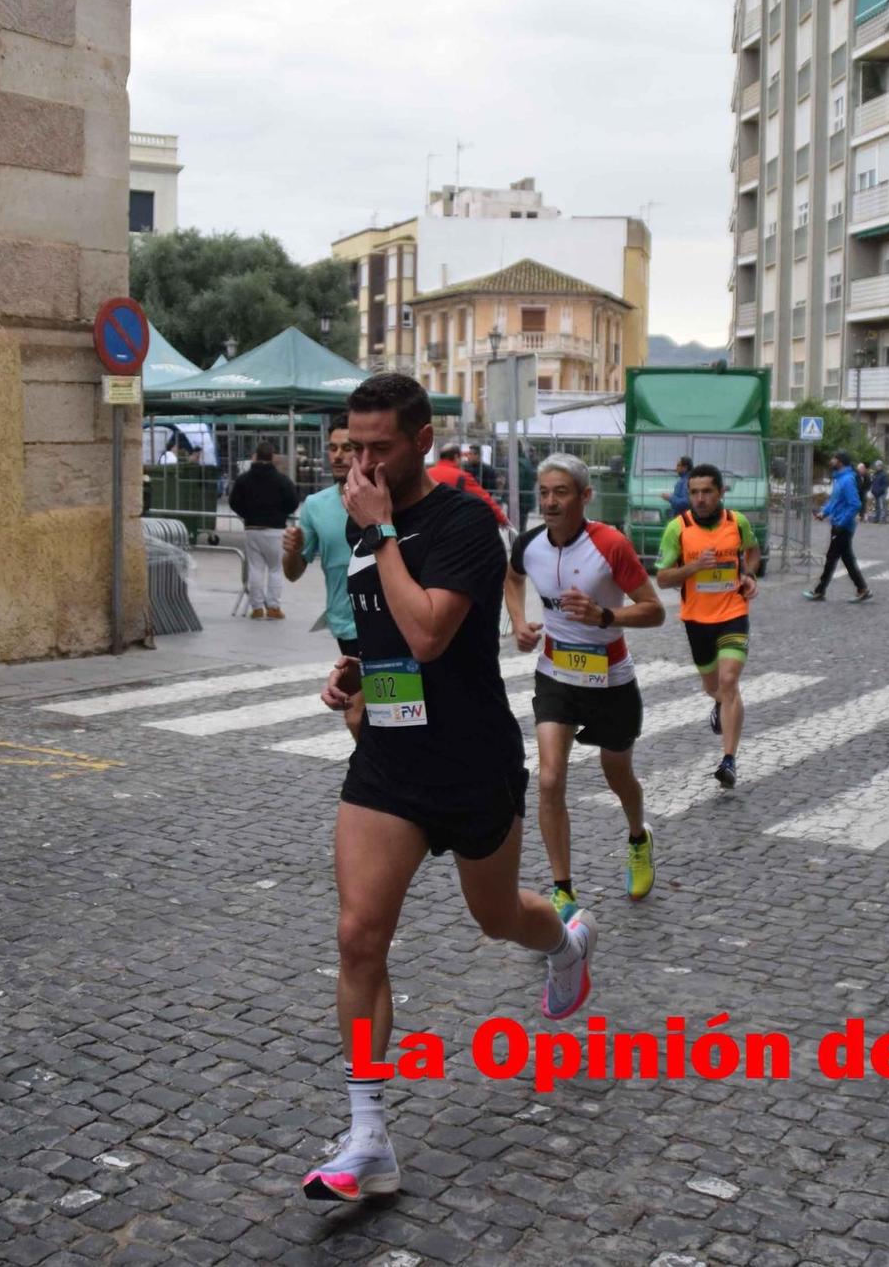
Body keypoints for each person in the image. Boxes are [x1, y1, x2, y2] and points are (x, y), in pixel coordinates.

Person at [304, 375, 592, 1203]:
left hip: (472, 761)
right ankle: (366, 1137)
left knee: (498, 917)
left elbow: (431, 631)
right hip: (389, 763)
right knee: (359, 936)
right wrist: (351, 673)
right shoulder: (369, 527)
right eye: (351, 449)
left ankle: (566, 942)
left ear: (422, 440)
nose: (361, 464)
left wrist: (381, 530)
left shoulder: (466, 522)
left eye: (379, 448)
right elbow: (389, 638)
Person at [503, 454, 666, 920]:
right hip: (556, 674)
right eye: (545, 493)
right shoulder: (529, 543)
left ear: (584, 496)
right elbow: (512, 578)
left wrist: (606, 615)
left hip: (610, 678)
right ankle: (563, 889)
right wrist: (519, 623)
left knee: (619, 775)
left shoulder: (609, 544)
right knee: (550, 778)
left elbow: (654, 609)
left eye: (562, 492)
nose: (550, 502)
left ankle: (638, 836)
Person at [655, 464, 761, 790]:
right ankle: (718, 702)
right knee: (713, 686)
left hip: (733, 612)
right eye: (694, 492)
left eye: (707, 492)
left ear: (721, 492)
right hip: (697, 619)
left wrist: (749, 575)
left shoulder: (737, 522)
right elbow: (662, 577)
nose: (700, 499)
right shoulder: (678, 528)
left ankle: (728, 760)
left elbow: (753, 553)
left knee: (729, 682)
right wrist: (693, 567)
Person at [286, 415, 365, 738]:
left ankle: (377, 782)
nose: (337, 455)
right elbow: (293, 573)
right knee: (359, 716)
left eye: (347, 448)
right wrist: (293, 550)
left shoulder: (388, 498)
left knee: (361, 716)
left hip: (391, 624)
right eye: (332, 448)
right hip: (346, 625)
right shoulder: (315, 506)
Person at [228, 441, 301, 619]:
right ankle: (274, 607)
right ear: (273, 457)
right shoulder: (282, 480)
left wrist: (246, 514)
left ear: (255, 456)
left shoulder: (243, 479)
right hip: (276, 529)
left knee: (255, 569)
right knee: (276, 568)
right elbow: (293, 501)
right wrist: (282, 513)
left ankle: (257, 607)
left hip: (252, 528)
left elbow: (233, 502)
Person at [808, 451, 872, 603]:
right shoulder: (840, 479)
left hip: (843, 527)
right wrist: (823, 513)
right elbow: (835, 502)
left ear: (841, 462)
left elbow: (855, 504)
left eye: (834, 458)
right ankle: (862, 589)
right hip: (839, 525)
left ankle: (820, 591)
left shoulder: (847, 480)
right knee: (846, 558)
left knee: (832, 558)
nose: (831, 460)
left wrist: (841, 523)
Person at [430, 443, 509, 528]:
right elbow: (484, 498)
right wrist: (502, 519)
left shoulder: (428, 474)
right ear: (456, 457)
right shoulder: (461, 476)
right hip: (451, 523)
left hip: (429, 522)